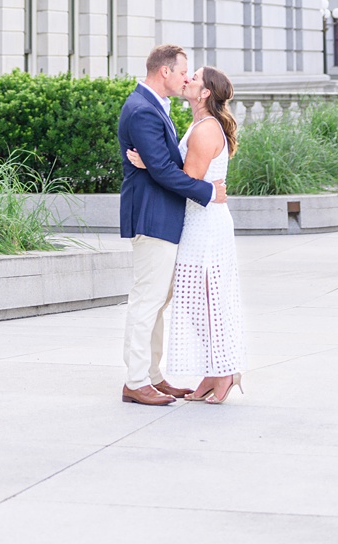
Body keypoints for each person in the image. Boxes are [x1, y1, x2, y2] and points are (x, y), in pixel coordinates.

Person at [115, 42, 225, 405]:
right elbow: (162, 170)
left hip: (164, 216)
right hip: (152, 217)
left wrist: (156, 165)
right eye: (182, 72)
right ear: (165, 71)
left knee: (158, 301)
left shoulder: (153, 105)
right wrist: (208, 192)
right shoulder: (142, 109)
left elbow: (160, 164)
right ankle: (135, 381)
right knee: (146, 301)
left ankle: (152, 375)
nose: (185, 78)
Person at [140, 64, 247, 403]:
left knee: (208, 302)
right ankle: (215, 372)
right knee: (198, 304)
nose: (187, 78)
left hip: (205, 225)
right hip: (199, 221)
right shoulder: (200, 123)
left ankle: (225, 373)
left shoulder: (205, 130)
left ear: (204, 94)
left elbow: (188, 180)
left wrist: (150, 163)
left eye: (195, 77)